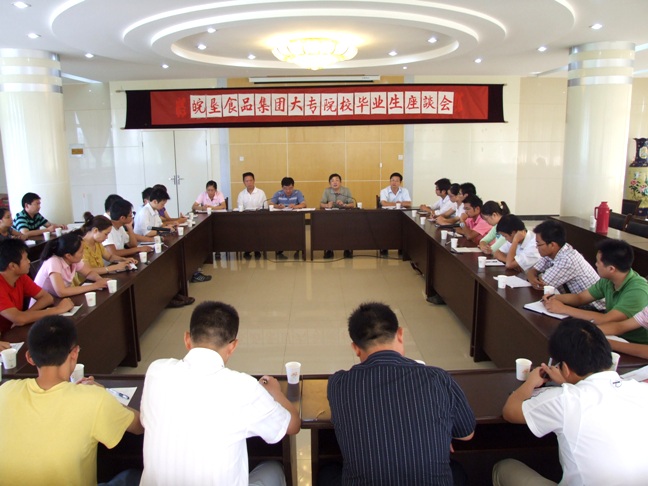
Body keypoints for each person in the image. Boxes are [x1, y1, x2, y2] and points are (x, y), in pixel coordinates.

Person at [140, 301, 300, 486]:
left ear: (187, 339)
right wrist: (276, 392)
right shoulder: (243, 388)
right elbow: (292, 426)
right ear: (233, 346)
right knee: (273, 468)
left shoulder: (156, 371)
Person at [327, 302, 475, 485]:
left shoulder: (339, 383)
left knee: (328, 471)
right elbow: (466, 434)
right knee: (456, 470)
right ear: (400, 334)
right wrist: (439, 433)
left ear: (356, 348)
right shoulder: (437, 378)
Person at [494, 318, 648, 486]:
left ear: (565, 368)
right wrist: (570, 380)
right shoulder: (641, 389)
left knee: (504, 468)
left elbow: (510, 411)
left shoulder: (564, 399)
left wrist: (530, 382)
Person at [0, 315, 144, 484]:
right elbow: (140, 426)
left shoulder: (6, 390)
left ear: (29, 357)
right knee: (133, 476)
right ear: (74, 353)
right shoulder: (94, 399)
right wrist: (105, 395)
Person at [543, 239, 648, 327]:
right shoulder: (608, 280)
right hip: (610, 330)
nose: (596, 264)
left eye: (598, 262)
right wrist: (554, 298)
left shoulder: (637, 291)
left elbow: (606, 319)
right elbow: (580, 298)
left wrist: (563, 309)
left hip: (629, 340)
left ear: (611, 269)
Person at [0, 239, 73, 339]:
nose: (29, 261)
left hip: (15, 331)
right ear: (12, 266)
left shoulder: (20, 277)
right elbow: (19, 319)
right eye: (25, 259)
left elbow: (47, 298)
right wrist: (57, 310)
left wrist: (25, 315)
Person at [527, 220, 604, 310]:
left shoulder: (567, 260)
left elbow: (541, 285)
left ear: (552, 245)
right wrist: (531, 275)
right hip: (576, 303)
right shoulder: (556, 250)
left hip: (594, 308)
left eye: (539, 244)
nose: (536, 247)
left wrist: (533, 277)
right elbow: (533, 270)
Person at [34, 233, 109, 297]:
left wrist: (99, 280)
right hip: (45, 305)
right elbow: (61, 292)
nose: (83, 254)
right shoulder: (53, 262)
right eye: (81, 252)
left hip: (59, 300)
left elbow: (89, 272)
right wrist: (95, 286)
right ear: (68, 255)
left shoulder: (73, 260)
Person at [271, 177, 307, 260]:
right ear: (282, 187)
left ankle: (298, 247)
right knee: (279, 230)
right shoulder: (278, 193)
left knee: (297, 229)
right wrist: (278, 206)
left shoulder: (298, 193)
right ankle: (280, 247)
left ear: (293, 187)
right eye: (285, 188)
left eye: (290, 188)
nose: (288, 191)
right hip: (281, 220)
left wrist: (295, 206)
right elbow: (271, 204)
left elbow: (304, 204)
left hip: (295, 219)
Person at [320, 173, 355, 259]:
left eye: (337, 180)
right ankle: (329, 249)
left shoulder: (346, 190)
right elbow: (321, 204)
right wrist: (327, 205)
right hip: (330, 217)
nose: (335, 182)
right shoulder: (326, 191)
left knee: (348, 228)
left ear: (340, 182)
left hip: (344, 217)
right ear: (330, 183)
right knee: (328, 229)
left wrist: (344, 205)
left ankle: (347, 249)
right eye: (332, 181)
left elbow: (352, 204)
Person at [237, 172, 268, 259]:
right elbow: (240, 208)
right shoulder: (241, 194)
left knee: (257, 227)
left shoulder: (261, 193)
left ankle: (257, 249)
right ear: (244, 182)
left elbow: (265, 207)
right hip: (245, 219)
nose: (249, 183)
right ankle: (247, 249)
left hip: (259, 218)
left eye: (251, 180)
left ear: (254, 180)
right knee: (245, 228)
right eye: (247, 181)